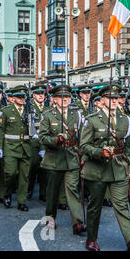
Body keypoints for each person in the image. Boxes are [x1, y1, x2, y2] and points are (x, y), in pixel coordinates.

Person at [79, 84, 130, 251]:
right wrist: (99, 152)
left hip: (118, 168)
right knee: (95, 206)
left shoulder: (125, 120)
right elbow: (83, 146)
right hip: (97, 170)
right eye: (110, 98)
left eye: (116, 98)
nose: (114, 101)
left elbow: (129, 148)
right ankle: (91, 239)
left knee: (122, 204)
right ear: (102, 100)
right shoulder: (92, 119)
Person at [39, 84, 86, 234]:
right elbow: (42, 137)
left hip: (71, 158)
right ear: (54, 99)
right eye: (61, 97)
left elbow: (82, 137)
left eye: (67, 97)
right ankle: (50, 219)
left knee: (72, 190)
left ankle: (77, 223)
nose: (64, 99)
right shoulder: (48, 114)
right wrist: (55, 140)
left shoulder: (76, 114)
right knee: (52, 192)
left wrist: (83, 156)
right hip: (54, 159)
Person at [0, 86, 32, 211]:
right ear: (13, 98)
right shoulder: (6, 111)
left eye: (23, 97)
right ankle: (7, 193)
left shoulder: (29, 110)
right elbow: (0, 130)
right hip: (10, 147)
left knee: (24, 176)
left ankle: (22, 201)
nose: (22, 99)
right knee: (10, 173)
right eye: (19, 97)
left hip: (26, 147)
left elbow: (34, 129)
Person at [27, 84, 51, 202]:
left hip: (45, 142)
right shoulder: (30, 107)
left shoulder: (48, 109)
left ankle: (43, 193)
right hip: (34, 142)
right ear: (34, 95)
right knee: (32, 167)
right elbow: (31, 127)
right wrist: (36, 136)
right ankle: (29, 189)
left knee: (44, 169)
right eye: (38, 94)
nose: (41, 96)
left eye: (42, 94)